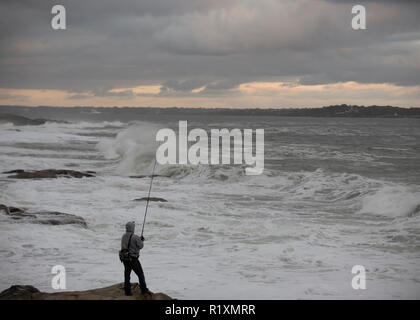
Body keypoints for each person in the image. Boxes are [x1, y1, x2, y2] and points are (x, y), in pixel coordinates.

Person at [121, 221, 151, 296]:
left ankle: (127, 292)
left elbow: (127, 245)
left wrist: (139, 240)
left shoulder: (123, 236)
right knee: (140, 274)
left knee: (127, 275)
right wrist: (141, 240)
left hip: (125, 258)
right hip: (133, 259)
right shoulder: (135, 237)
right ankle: (144, 290)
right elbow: (140, 246)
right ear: (132, 228)